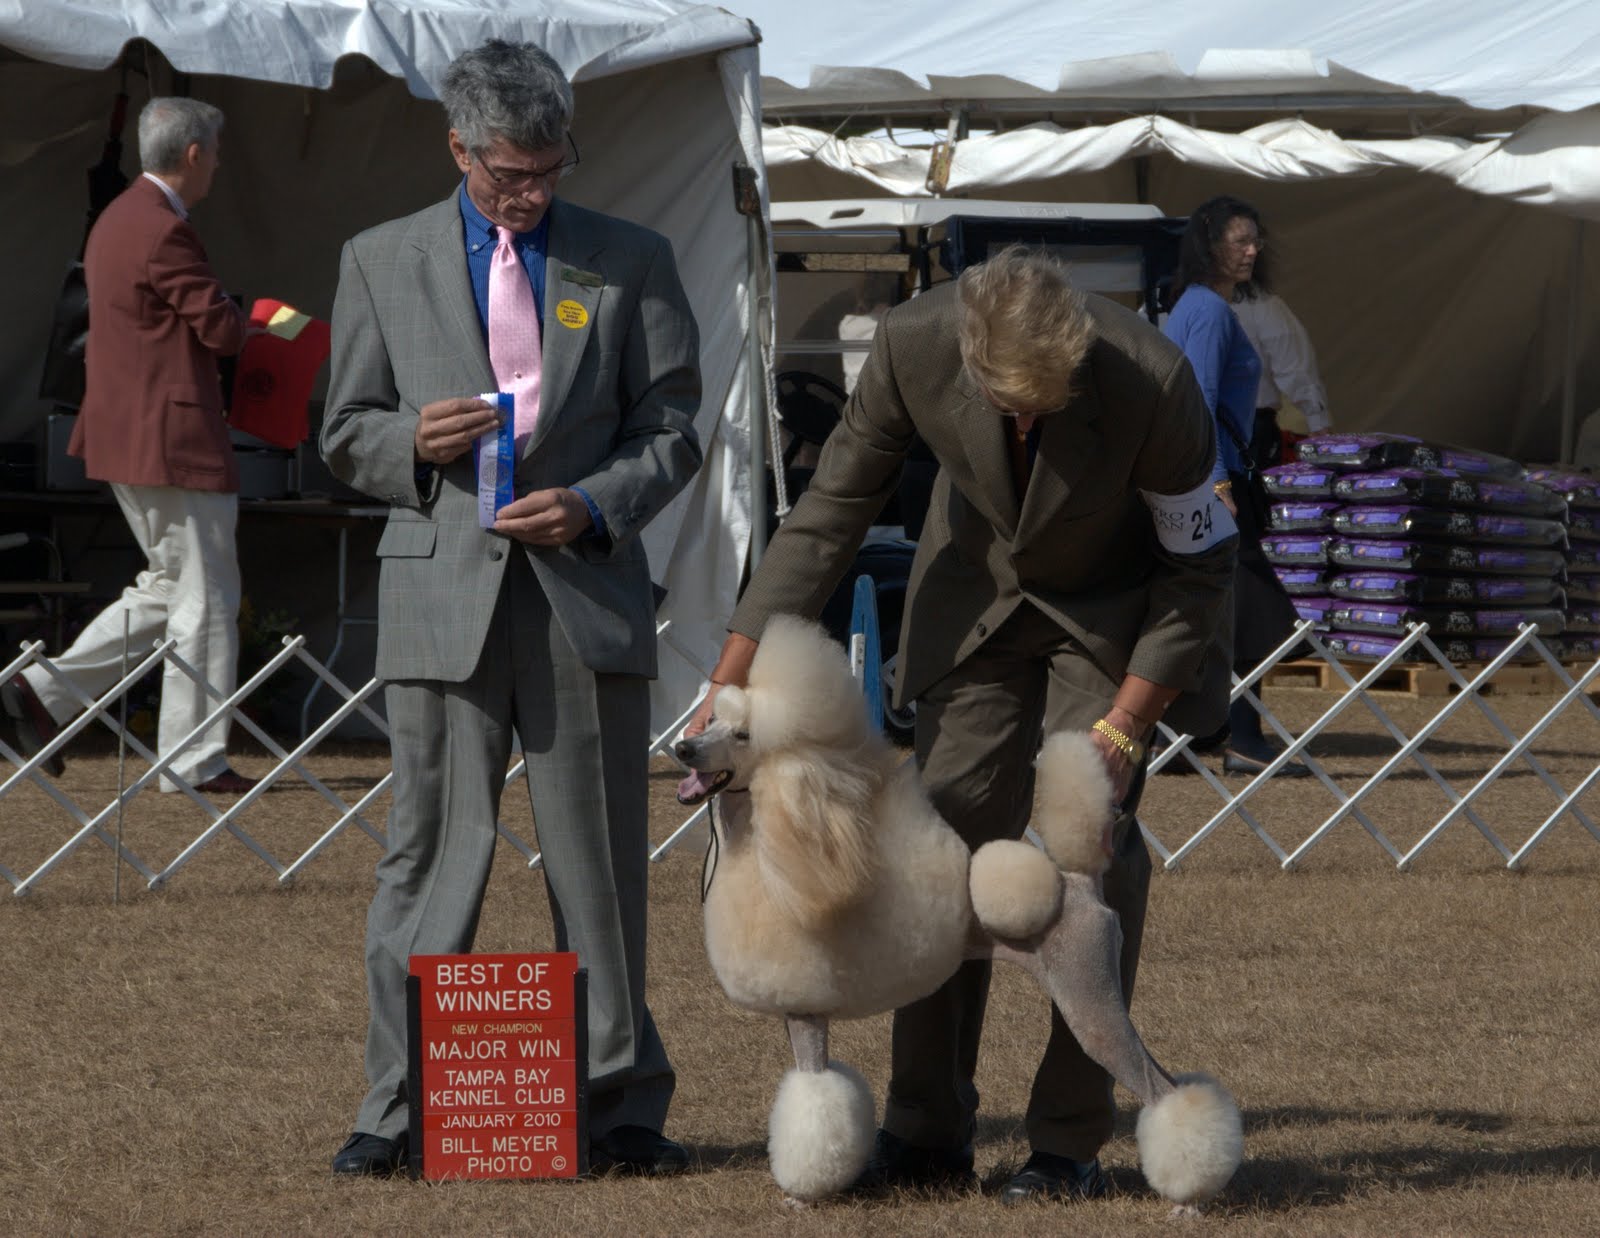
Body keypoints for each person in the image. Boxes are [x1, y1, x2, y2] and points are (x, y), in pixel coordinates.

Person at [687, 245, 1235, 1203]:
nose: (1027, 422)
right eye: (1009, 405)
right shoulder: (913, 341)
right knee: (934, 841)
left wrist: (1124, 727)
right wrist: (729, 680)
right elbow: (832, 509)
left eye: (1047, 406)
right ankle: (925, 1125)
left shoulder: (1154, 377)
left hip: (1110, 617)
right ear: (972, 361)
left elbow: (1199, 567)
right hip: (972, 605)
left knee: (1081, 868)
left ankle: (1068, 1140)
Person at [320, 39, 702, 1178]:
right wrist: (409, 442)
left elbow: (674, 423)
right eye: (506, 175)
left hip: (582, 592)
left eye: (547, 170)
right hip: (442, 595)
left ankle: (621, 1098)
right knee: (431, 853)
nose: (530, 194)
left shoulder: (631, 257)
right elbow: (345, 430)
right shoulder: (377, 259)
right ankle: (397, 1105)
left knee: (600, 857)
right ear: (457, 148)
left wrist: (591, 501)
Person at [1, 97, 257, 796]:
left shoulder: (118, 217)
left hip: (128, 434)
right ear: (196, 153)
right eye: (217, 153)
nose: (217, 165)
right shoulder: (164, 229)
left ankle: (37, 694)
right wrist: (253, 319)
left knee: (168, 588)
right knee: (206, 598)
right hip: (170, 438)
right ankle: (192, 759)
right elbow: (222, 332)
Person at [1163, 196, 1311, 779]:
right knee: (1253, 608)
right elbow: (1194, 399)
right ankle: (1243, 738)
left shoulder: (1205, 307)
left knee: (1207, 607)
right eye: (1238, 240)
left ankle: (1183, 738)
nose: (1251, 250)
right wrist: (1218, 480)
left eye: (1255, 240)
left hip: (1219, 474)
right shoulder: (1207, 311)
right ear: (1208, 245)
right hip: (1218, 480)